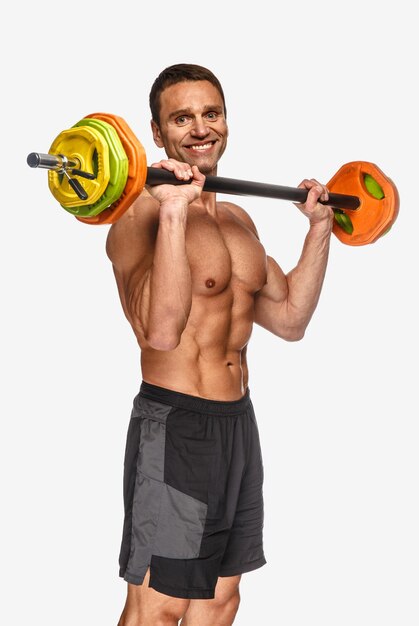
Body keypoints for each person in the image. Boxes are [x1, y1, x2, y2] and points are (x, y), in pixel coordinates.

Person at [106, 63, 333, 626]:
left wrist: (319, 230)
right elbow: (159, 331)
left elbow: (289, 319)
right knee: (158, 606)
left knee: (219, 600)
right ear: (157, 133)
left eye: (211, 114)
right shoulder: (139, 216)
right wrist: (176, 212)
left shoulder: (238, 219)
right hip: (176, 426)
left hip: (237, 424)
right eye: (181, 118)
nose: (200, 129)